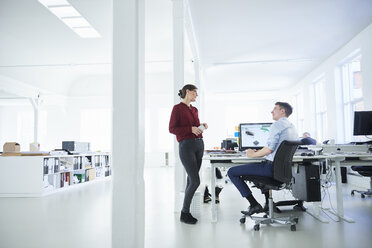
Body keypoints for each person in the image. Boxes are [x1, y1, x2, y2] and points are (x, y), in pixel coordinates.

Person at [227, 102, 298, 216]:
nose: (271, 111)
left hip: (270, 169)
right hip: (281, 171)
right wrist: (259, 152)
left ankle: (254, 204)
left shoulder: (277, 125)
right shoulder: (292, 127)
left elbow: (269, 149)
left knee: (231, 172)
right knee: (258, 166)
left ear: (282, 111)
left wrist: (251, 154)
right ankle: (268, 204)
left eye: (275, 108)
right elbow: (275, 149)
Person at [169, 84, 208, 224]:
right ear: (187, 92)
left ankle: (186, 211)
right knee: (195, 180)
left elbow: (196, 128)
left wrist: (201, 126)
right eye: (194, 93)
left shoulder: (195, 109)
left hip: (199, 144)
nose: (196, 95)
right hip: (186, 146)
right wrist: (190, 129)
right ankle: (184, 213)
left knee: (191, 180)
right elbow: (172, 128)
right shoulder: (177, 108)